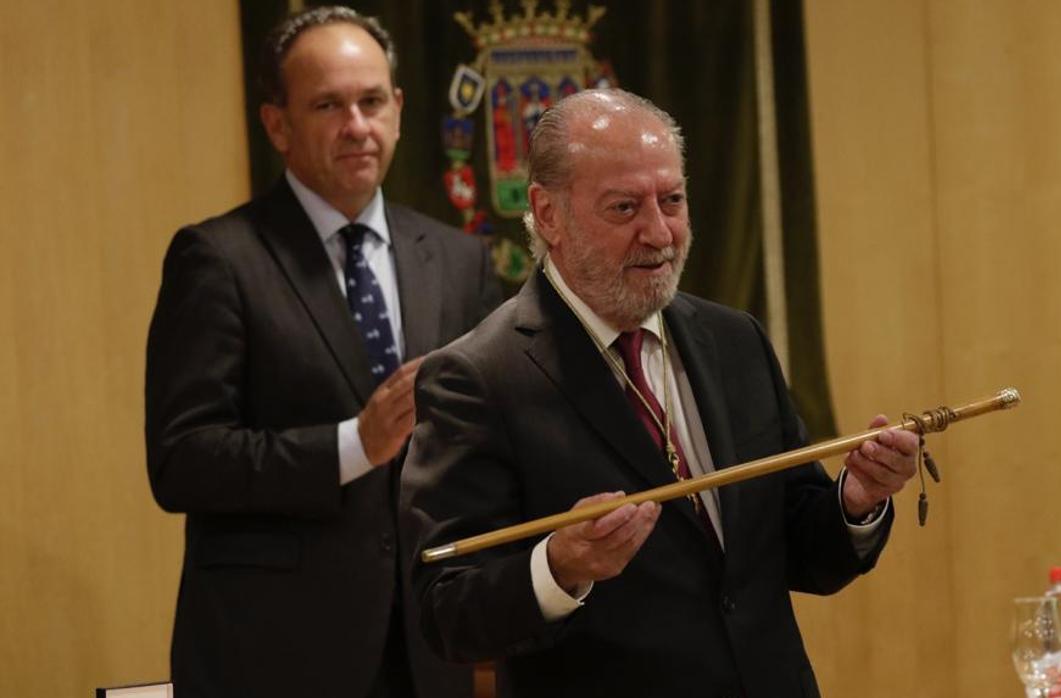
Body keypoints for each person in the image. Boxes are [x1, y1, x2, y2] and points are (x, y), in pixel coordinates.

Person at [402, 88, 919, 697]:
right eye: (624, 209)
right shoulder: (477, 378)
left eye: (672, 200)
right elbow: (446, 611)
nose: (659, 232)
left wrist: (855, 501)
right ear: (547, 214)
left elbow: (798, 553)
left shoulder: (735, 340)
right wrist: (559, 568)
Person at [144, 7, 499, 697]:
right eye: (328, 105)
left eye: (371, 102)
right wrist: (353, 446)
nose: (357, 126)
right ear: (276, 124)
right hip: (276, 652)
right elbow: (181, 461)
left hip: (430, 650)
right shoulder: (217, 258)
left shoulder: (460, 260)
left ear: (397, 109)